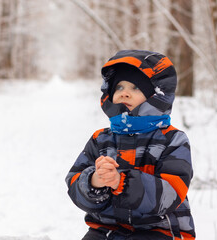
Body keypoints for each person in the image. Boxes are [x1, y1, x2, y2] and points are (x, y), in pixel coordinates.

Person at [65, 50, 195, 240]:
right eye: (119, 87)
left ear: (156, 95)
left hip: (158, 231)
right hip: (106, 230)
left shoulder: (172, 140)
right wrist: (94, 182)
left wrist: (122, 182)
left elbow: (172, 191)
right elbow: (74, 181)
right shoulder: (100, 139)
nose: (124, 93)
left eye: (135, 88)